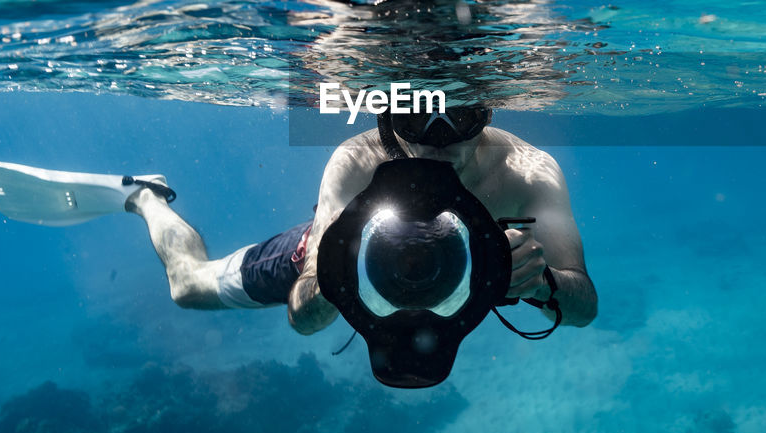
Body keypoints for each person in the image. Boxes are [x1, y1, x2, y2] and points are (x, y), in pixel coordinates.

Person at [123, 107, 598, 336]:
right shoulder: (356, 161)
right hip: (351, 263)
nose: (439, 138)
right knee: (187, 286)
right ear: (388, 113)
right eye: (416, 114)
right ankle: (147, 196)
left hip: (465, 287)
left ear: (487, 109)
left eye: (461, 114)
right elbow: (304, 320)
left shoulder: (526, 170)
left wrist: (544, 283)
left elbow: (584, 304)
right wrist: (336, 271)